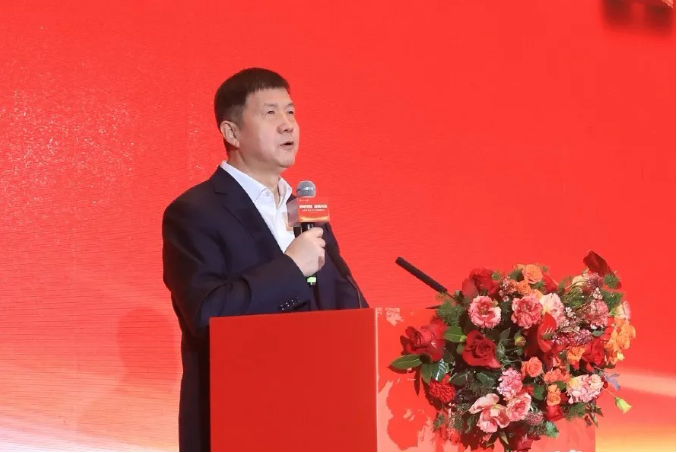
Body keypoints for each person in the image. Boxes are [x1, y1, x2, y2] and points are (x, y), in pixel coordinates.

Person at [162, 67, 366, 452]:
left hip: (320, 420)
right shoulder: (193, 213)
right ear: (232, 132)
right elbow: (206, 315)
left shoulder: (305, 210)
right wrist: (290, 269)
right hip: (241, 421)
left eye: (291, 112)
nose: (288, 124)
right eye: (270, 113)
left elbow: (345, 303)